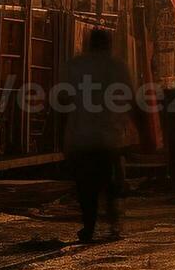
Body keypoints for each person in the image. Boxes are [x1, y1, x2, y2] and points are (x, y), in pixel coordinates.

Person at [59, 29, 138, 243]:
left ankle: (89, 226)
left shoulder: (75, 65)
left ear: (88, 44)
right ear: (109, 45)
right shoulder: (117, 66)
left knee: (85, 186)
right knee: (108, 180)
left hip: (79, 137)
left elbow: (62, 99)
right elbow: (131, 98)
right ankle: (113, 220)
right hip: (107, 137)